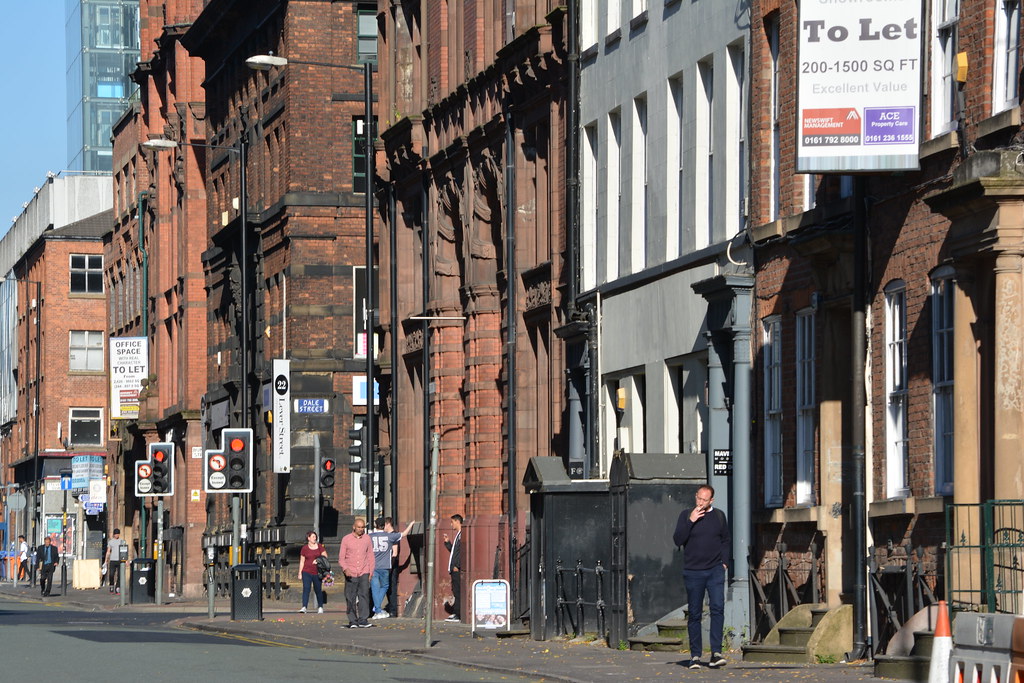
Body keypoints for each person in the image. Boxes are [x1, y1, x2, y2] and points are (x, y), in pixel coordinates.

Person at [673, 485, 731, 669]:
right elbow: (677, 540)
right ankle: (695, 656)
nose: (700, 502)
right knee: (695, 614)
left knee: (717, 608)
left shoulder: (719, 516)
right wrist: (690, 521)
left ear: (711, 501)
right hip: (693, 571)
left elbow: (725, 540)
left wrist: (724, 562)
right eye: (698, 498)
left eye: (704, 500)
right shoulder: (685, 515)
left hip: (715, 569)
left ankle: (716, 653)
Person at [367, 517, 414, 618]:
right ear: (384, 525)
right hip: (385, 566)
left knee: (375, 588)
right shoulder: (389, 536)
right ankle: (377, 609)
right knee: (385, 586)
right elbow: (404, 534)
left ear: (375, 526)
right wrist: (411, 524)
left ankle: (377, 609)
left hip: (373, 566)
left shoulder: (370, 536)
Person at [338, 517, 375, 628]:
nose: (360, 529)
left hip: (364, 571)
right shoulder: (346, 539)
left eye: (362, 527)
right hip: (351, 572)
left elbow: (370, 556)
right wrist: (345, 568)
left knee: (364, 595)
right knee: (350, 597)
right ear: (354, 527)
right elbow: (341, 558)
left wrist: (370, 572)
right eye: (358, 527)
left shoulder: (367, 539)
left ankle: (363, 619)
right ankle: (353, 620)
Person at [297, 530, 328, 614]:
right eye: (313, 536)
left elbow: (325, 556)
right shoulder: (305, 548)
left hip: (317, 572)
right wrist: (300, 572)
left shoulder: (319, 546)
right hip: (306, 571)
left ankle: (320, 606)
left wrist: (318, 560)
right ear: (308, 538)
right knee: (306, 589)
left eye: (315, 536)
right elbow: (302, 561)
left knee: (318, 589)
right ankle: (304, 607)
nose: (315, 538)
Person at [443, 514, 464, 622]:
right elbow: (454, 553)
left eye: (452, 522)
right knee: (455, 590)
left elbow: (462, 552)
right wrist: (448, 543)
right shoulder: (458, 535)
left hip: (456, 569)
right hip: (453, 568)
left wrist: (457, 565)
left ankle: (458, 613)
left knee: (457, 591)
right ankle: (456, 612)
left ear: (457, 521)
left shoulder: (462, 535)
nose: (451, 524)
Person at [104, 528, 125, 594]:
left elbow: (124, 551)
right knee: (111, 574)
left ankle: (117, 588)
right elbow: (108, 551)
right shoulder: (110, 542)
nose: (117, 535)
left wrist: (126, 560)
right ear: (114, 534)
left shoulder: (122, 541)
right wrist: (106, 560)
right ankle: (111, 586)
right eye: (116, 534)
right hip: (112, 560)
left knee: (120, 575)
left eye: (118, 534)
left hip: (120, 560)